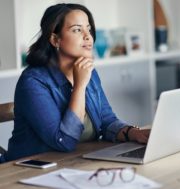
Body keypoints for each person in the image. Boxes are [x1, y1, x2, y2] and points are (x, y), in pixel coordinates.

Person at [1, 3, 150, 163]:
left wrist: (133, 133)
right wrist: (79, 87)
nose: (87, 36)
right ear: (55, 39)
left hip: (75, 162)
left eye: (89, 29)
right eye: (77, 30)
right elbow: (63, 141)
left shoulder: (89, 73)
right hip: (28, 170)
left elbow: (107, 121)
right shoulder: (33, 82)